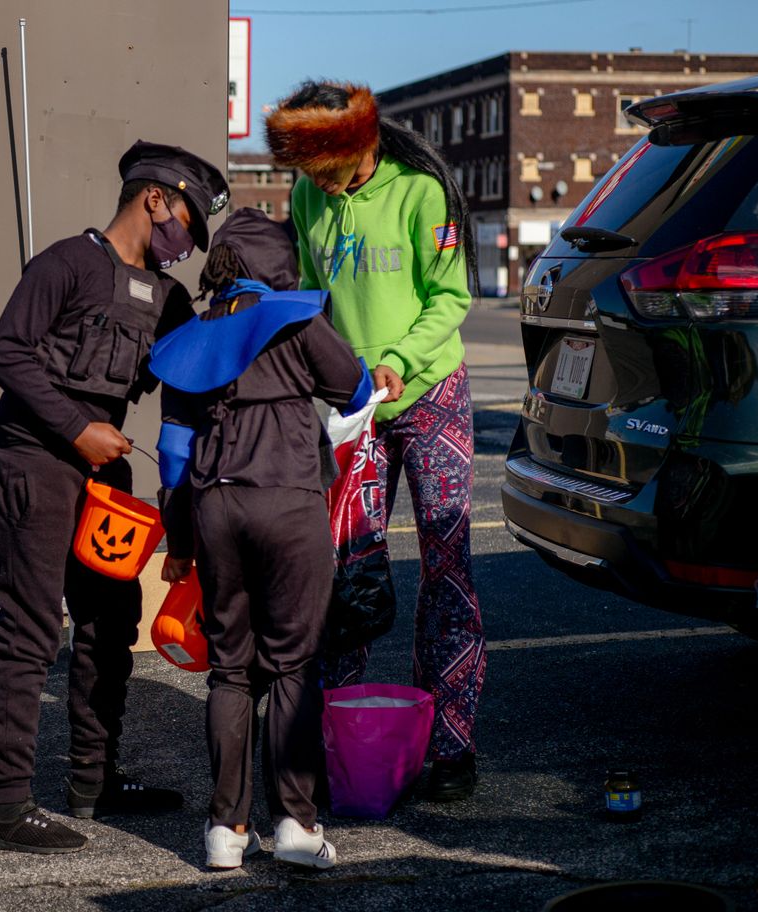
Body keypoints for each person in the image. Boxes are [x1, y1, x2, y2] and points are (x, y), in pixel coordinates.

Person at [0, 140, 229, 854]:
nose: (184, 241)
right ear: (154, 199)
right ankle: (5, 806)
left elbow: (194, 380)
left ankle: (94, 779)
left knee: (111, 620)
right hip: (30, 458)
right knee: (29, 630)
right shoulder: (65, 264)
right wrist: (75, 428)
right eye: (184, 218)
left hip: (101, 476)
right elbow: (7, 352)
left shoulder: (171, 300)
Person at [266, 81, 485, 802]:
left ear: (359, 141)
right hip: (352, 410)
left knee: (444, 568)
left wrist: (398, 362)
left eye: (323, 168)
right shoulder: (309, 200)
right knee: (346, 574)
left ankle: (451, 748)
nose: (317, 184)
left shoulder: (421, 195)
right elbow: (311, 293)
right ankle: (330, 741)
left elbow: (451, 299)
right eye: (307, 173)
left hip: (429, 399)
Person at [150, 208, 371, 869]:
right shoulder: (296, 318)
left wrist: (181, 542)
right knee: (293, 667)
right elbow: (354, 386)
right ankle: (296, 828)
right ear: (277, 262)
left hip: (215, 508)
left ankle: (225, 831)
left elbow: (172, 457)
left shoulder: (194, 335)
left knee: (230, 671)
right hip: (288, 501)